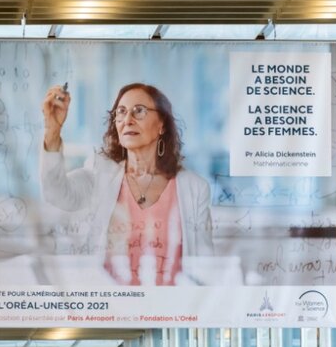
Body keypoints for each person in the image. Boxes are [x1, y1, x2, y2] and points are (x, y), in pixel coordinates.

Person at [41, 82, 213, 285]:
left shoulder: (194, 188)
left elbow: (205, 265)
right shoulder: (100, 175)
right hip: (112, 307)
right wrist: (52, 131)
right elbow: (56, 193)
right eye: (121, 112)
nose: (128, 120)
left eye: (139, 111)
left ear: (161, 124)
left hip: (172, 308)